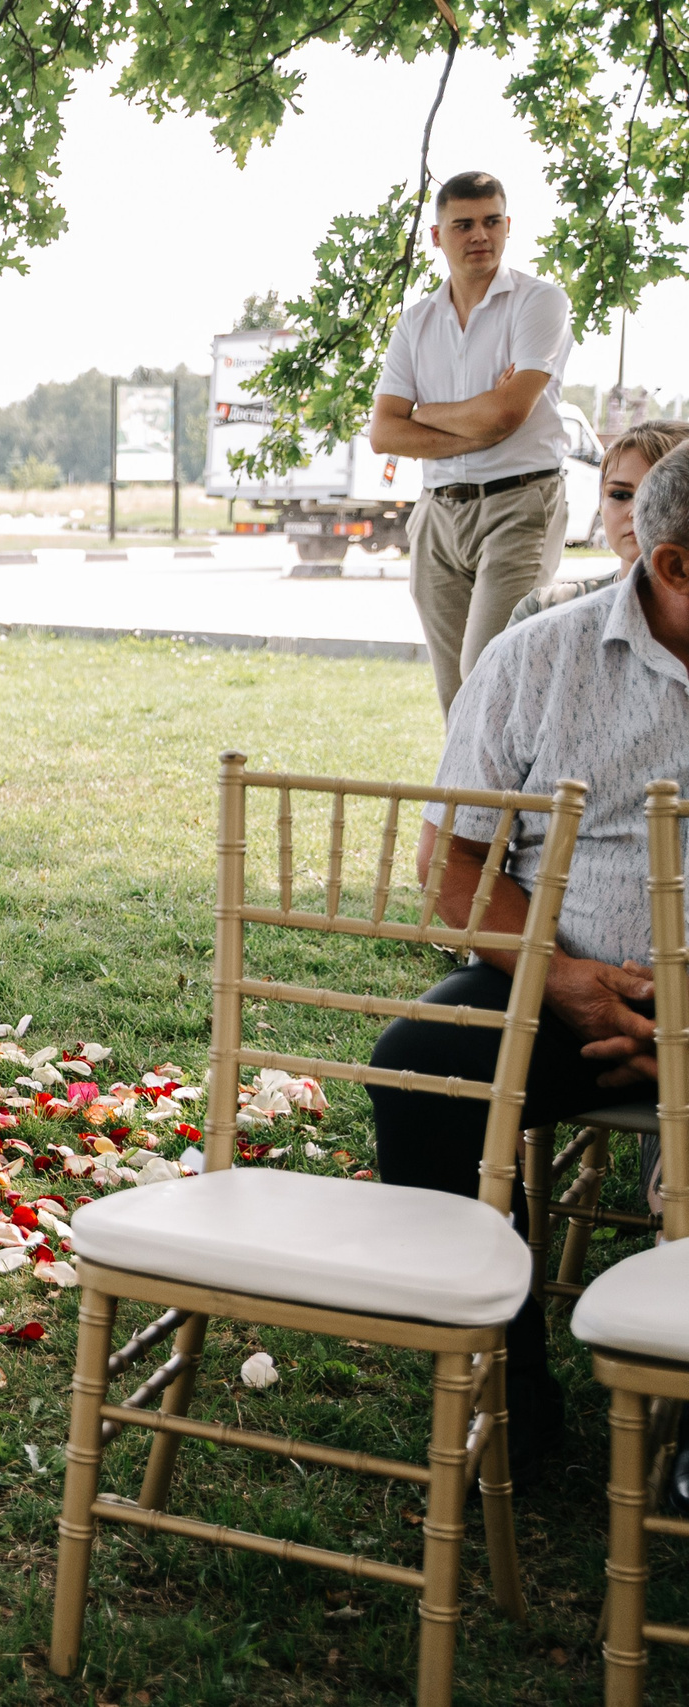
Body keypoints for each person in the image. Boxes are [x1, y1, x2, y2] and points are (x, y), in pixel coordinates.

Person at [363, 442, 689, 1481]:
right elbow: (456, 871)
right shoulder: (536, 659)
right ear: (673, 568)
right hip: (567, 987)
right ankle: (507, 1393)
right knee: (418, 1069)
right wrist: (564, 979)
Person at [366, 170, 576, 714]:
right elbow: (384, 432)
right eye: (463, 224)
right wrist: (475, 422)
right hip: (438, 514)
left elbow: (507, 414)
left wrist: (428, 415)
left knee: (489, 674)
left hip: (519, 504)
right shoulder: (415, 323)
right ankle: (469, 802)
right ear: (438, 236)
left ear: (508, 227)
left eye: (491, 222)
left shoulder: (540, 303)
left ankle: (516, 800)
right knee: (455, 694)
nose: (479, 235)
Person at [503, 419, 689, 627]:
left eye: (659, 494)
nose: (636, 512)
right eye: (620, 495)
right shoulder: (543, 611)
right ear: (601, 502)